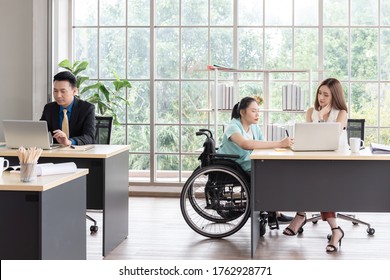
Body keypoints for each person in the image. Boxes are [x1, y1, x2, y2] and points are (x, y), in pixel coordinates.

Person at [282, 77, 348, 253]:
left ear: (335, 96)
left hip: (336, 164)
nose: (322, 98)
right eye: (320, 93)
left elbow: (329, 137)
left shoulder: (341, 113)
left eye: (326, 95)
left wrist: (321, 115)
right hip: (315, 162)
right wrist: (317, 114)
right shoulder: (311, 111)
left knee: (319, 183)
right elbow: (310, 139)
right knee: (309, 179)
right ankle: (335, 230)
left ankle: (301, 215)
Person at [217, 96, 294, 223]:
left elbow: (261, 145)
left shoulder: (254, 128)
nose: (257, 114)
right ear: (242, 112)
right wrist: (279, 143)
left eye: (258, 111)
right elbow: (246, 144)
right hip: (234, 165)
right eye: (253, 111)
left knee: (276, 170)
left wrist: (281, 148)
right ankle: (273, 212)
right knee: (269, 175)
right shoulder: (233, 127)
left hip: (247, 162)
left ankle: (274, 212)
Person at [40, 71, 95, 146]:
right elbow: (40, 132)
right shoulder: (49, 108)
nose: (58, 95)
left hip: (80, 153)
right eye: (55, 91)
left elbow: (89, 137)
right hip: (57, 154)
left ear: (74, 91)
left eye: (63, 91)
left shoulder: (87, 108)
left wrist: (69, 142)